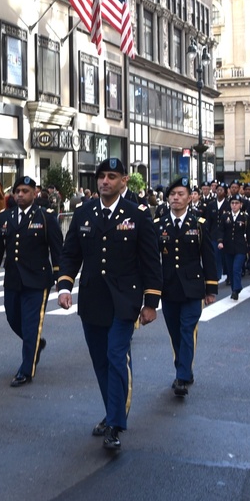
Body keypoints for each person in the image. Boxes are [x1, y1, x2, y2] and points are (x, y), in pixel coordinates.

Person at [57, 158, 162, 451]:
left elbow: (151, 261)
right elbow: (70, 254)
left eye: (111, 176)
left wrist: (151, 302)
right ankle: (110, 411)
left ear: (124, 181)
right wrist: (65, 286)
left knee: (116, 357)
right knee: (100, 361)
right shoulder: (83, 213)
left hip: (124, 300)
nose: (104, 181)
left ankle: (115, 423)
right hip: (92, 299)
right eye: (101, 176)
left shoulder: (138, 214)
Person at [0, 176, 64, 386]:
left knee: (30, 325)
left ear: (34, 193)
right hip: (13, 279)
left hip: (37, 280)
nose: (20, 194)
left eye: (25, 191)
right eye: (17, 191)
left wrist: (61, 279)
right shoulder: (5, 217)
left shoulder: (45, 217)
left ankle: (26, 369)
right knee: (13, 318)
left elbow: (57, 251)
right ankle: (36, 343)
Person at [157, 176, 217, 398]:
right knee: (175, 333)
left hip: (193, 287)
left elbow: (208, 257)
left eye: (180, 194)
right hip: (169, 287)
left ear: (190, 197)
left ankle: (181, 377)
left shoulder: (198, 225)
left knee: (186, 329)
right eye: (172, 194)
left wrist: (211, 288)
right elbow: (153, 259)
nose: (176, 198)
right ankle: (185, 367)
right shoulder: (159, 225)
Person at [216, 195, 250, 300]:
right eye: (232, 203)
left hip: (240, 247)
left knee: (236, 268)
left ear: (241, 205)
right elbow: (221, 230)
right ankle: (234, 290)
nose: (234, 205)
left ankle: (237, 289)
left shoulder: (244, 217)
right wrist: (220, 241)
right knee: (230, 270)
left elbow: (249, 232)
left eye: (236, 203)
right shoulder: (225, 216)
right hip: (228, 247)